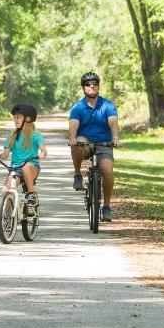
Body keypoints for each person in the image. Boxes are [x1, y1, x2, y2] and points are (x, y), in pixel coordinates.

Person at [68, 71, 121, 222]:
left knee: (108, 171)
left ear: (98, 86)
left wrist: (115, 138)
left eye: (94, 84)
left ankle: (106, 206)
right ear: (83, 88)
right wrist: (72, 138)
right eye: (88, 84)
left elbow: (113, 121)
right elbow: (73, 125)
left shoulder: (107, 105)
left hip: (104, 143)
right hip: (86, 141)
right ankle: (78, 174)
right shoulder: (78, 107)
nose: (92, 86)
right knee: (78, 143)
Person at [0, 103, 47, 207]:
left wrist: (42, 154)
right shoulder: (12, 134)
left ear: (28, 119)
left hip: (32, 167)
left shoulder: (35, 134)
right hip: (16, 169)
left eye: (18, 117)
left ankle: (31, 193)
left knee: (26, 166)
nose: (15, 120)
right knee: (5, 190)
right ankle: (6, 217)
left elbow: (44, 149)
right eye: (14, 117)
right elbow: (6, 154)